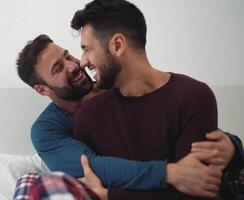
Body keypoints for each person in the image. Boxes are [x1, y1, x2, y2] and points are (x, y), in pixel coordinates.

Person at [15, 34, 243, 199]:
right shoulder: (47, 130)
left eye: (68, 56)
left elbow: (176, 122)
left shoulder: (117, 85)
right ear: (42, 90)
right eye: (58, 68)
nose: (73, 65)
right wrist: (170, 173)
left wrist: (232, 145)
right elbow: (93, 168)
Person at [69, 0, 244, 199]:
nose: (82, 61)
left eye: (87, 49)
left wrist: (109, 195)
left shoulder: (192, 97)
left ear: (117, 45)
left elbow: (197, 191)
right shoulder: (88, 118)